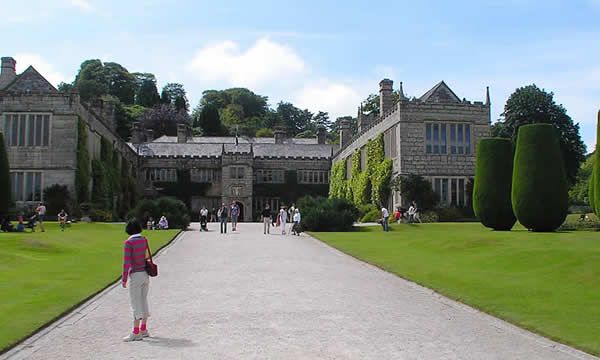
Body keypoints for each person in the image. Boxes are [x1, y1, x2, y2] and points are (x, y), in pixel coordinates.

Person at [122, 219, 151, 342]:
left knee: (135, 303)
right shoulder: (144, 240)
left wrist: (124, 278)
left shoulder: (129, 243)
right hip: (145, 274)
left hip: (135, 274)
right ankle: (144, 328)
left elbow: (126, 262)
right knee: (143, 300)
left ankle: (135, 331)